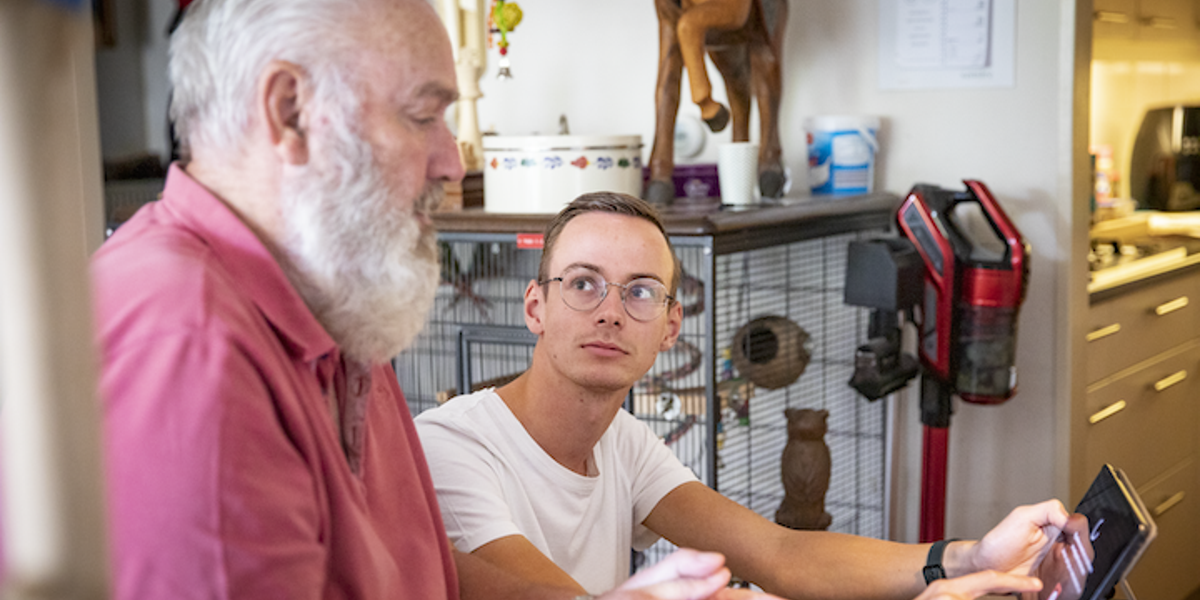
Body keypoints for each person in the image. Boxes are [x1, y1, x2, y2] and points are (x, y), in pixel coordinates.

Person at [90, 0, 783, 598]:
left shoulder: (332, 307)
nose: (452, 163)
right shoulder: (188, 347)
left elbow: (419, 567)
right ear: (289, 111)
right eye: (423, 116)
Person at [414, 192, 1071, 600]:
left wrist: (965, 557)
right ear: (536, 306)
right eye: (584, 283)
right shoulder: (453, 448)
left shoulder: (621, 442)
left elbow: (780, 553)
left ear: (670, 326)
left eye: (640, 291)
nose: (611, 311)